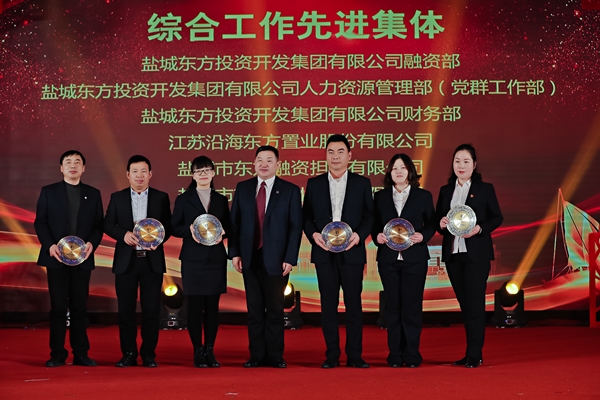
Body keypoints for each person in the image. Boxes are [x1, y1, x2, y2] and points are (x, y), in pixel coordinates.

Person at [302, 134, 374, 369]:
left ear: (349, 155)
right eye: (331, 152)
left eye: (340, 151)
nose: (335, 156)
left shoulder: (362, 183)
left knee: (354, 306)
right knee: (328, 306)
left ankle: (355, 355)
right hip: (324, 252)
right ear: (326, 155)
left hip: (352, 253)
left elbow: (369, 216)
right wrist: (314, 235)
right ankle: (331, 354)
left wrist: (359, 236)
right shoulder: (314, 184)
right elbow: (306, 217)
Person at [229, 145, 302, 368]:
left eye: (269, 160)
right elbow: (234, 224)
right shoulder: (243, 188)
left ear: (278, 164)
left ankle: (275, 355)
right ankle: (256, 355)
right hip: (249, 257)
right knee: (254, 310)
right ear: (254, 163)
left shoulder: (290, 190)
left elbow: (295, 227)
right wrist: (235, 253)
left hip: (277, 259)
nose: (264, 164)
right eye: (260, 159)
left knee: (275, 309)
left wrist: (290, 257)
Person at [34, 150, 103, 367]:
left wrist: (92, 243)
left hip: (82, 258)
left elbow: (98, 225)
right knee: (58, 306)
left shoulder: (93, 194)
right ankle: (57, 354)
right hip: (56, 257)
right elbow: (40, 222)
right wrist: (50, 245)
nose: (73, 166)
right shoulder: (49, 192)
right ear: (61, 168)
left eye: (77, 162)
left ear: (84, 168)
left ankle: (81, 353)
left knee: (80, 307)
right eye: (68, 162)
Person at [436, 144, 503, 368]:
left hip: (476, 255)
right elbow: (439, 220)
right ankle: (469, 352)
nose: (461, 166)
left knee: (475, 304)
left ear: (474, 165)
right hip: (454, 254)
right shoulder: (446, 190)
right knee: (465, 305)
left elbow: (497, 217)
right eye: (457, 161)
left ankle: (475, 354)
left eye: (466, 161)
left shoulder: (484, 189)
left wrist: (480, 229)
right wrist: (441, 223)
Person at [104, 155, 172, 368]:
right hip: (127, 261)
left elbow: (168, 227)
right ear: (128, 174)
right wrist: (123, 234)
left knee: (152, 310)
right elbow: (107, 224)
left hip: (151, 261)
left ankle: (149, 354)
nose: (139, 175)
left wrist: (158, 240)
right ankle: (129, 353)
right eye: (135, 171)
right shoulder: (118, 197)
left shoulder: (161, 197)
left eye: (143, 171)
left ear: (150, 174)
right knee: (126, 310)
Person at [371, 154, 436, 368]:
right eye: (394, 168)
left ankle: (412, 354)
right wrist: (377, 236)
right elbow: (374, 224)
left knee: (412, 306)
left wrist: (423, 236)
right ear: (389, 172)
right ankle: (395, 355)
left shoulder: (423, 196)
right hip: (388, 259)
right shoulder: (380, 197)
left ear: (410, 171)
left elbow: (431, 223)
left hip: (414, 258)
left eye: (403, 167)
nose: (398, 171)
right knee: (392, 306)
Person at [171, 156, 231, 368]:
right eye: (198, 171)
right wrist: (189, 230)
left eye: (206, 170)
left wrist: (224, 233)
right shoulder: (183, 199)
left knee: (213, 308)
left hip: (215, 259)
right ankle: (197, 349)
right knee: (194, 307)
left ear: (213, 172)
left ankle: (210, 349)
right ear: (192, 175)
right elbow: (174, 227)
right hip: (193, 260)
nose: (203, 174)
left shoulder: (221, 200)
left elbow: (229, 226)